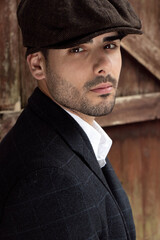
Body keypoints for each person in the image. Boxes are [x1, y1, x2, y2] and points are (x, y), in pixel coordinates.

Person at [0, 0, 142, 239]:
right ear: (38, 65)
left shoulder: (60, 136)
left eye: (110, 45)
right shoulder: (49, 180)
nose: (103, 66)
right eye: (78, 49)